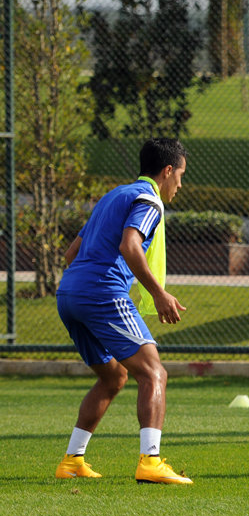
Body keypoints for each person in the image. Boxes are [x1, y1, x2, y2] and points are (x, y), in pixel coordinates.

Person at [54, 138, 193, 485]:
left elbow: (72, 253)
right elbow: (130, 245)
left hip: (69, 294)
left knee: (114, 377)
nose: (180, 185)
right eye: (180, 176)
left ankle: (72, 460)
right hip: (101, 293)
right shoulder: (149, 200)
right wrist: (158, 294)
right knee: (154, 373)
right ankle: (151, 461)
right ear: (168, 171)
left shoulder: (114, 196)